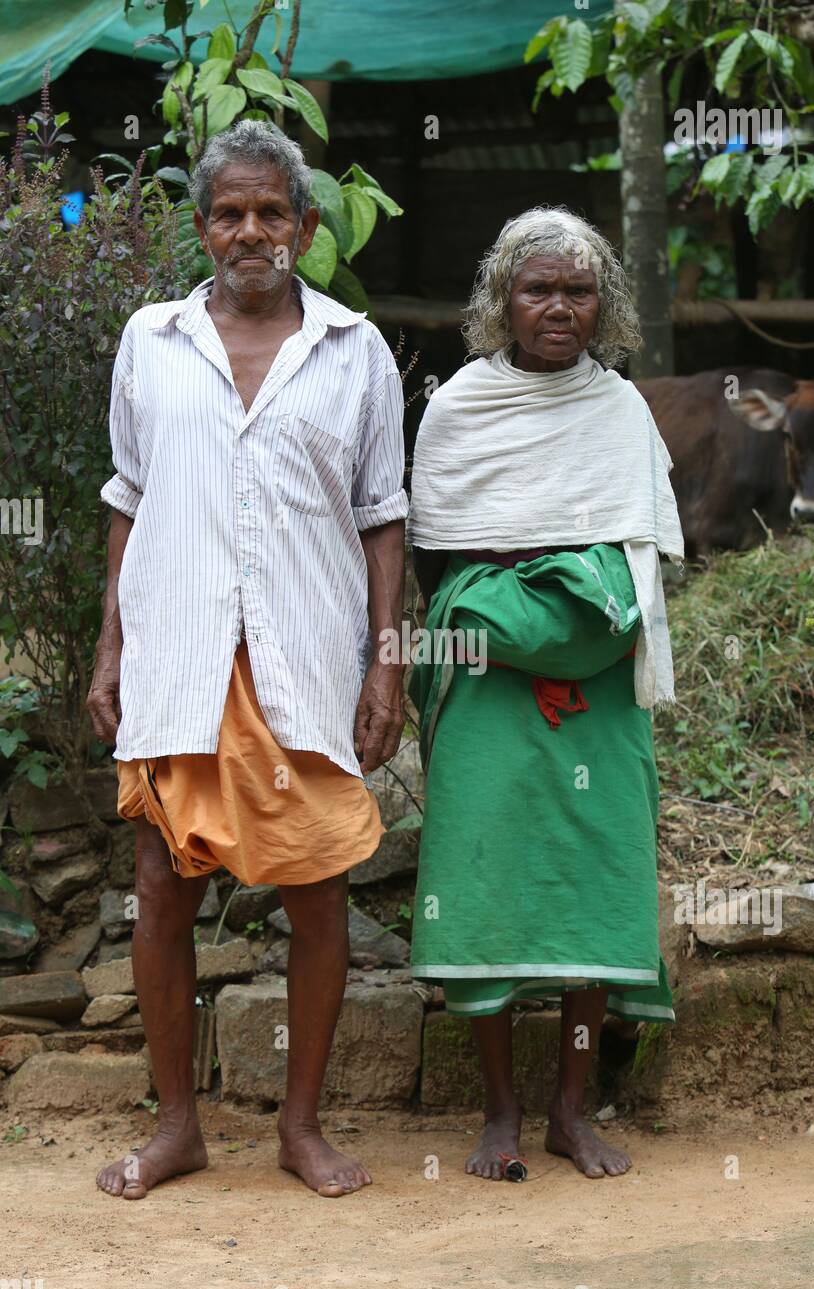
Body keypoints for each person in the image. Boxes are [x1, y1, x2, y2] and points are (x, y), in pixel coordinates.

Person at [87, 121, 407, 1199]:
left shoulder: (354, 350)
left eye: (272, 211)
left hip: (304, 656)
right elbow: (126, 499)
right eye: (230, 212)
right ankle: (176, 1125)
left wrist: (386, 663)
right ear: (202, 224)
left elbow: (383, 517)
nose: (251, 231)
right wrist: (108, 647)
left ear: (306, 227)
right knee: (161, 883)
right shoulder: (152, 339)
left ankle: (300, 1127)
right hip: (177, 651)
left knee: (316, 888)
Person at [408, 206, 684, 1181]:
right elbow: (437, 557)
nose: (557, 306)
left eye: (576, 289)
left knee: (594, 888)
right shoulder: (460, 409)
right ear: (501, 301)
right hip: (488, 685)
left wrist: (572, 631)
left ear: (600, 301)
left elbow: (645, 559)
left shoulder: (619, 411)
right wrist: (523, 618)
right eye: (537, 289)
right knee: (481, 880)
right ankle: (498, 1113)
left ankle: (569, 1109)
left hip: (599, 687)